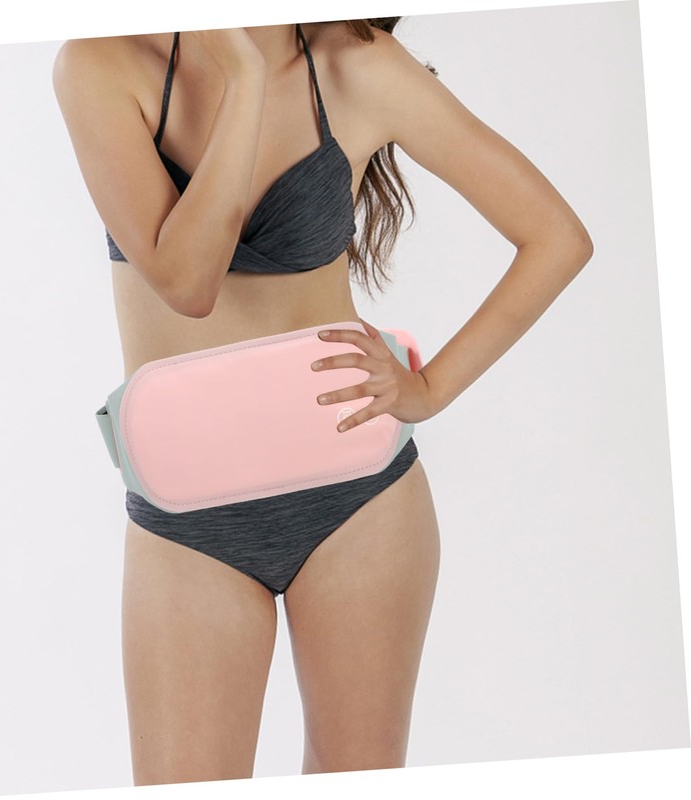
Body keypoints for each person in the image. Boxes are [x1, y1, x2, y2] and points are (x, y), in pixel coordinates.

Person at [52, 18, 593, 786]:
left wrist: (429, 387)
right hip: (183, 519)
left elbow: (557, 237)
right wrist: (243, 76)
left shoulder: (356, 66)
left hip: (359, 504)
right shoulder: (101, 66)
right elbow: (185, 282)